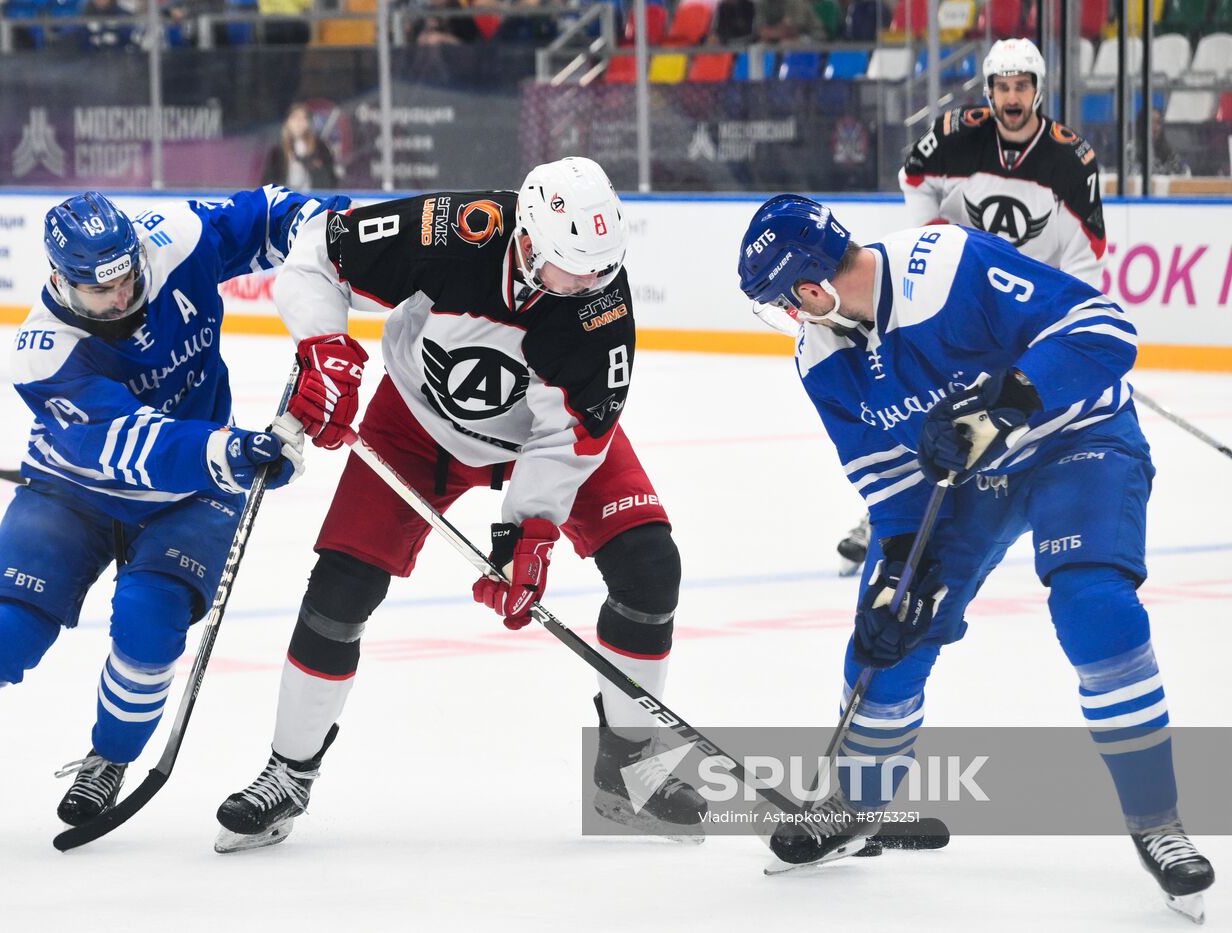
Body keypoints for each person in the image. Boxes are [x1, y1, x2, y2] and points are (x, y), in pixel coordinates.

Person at [735, 195, 1215, 922]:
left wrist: (1014, 395)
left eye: (783, 303)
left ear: (809, 288)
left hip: (1077, 441)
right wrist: (898, 568)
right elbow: (892, 490)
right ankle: (856, 805)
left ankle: (1157, 820)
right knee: (887, 632)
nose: (792, 319)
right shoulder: (821, 359)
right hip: (973, 484)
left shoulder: (949, 265)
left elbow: (1105, 330)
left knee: (1093, 603)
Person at [211, 156, 707, 853]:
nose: (588, 286)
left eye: (601, 269)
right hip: (415, 422)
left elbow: (572, 435)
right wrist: (325, 347)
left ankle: (630, 770)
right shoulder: (450, 232)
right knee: (339, 590)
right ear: (528, 240)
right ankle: (288, 774)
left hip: (540, 436)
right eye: (573, 269)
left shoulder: (601, 309)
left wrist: (528, 534)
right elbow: (315, 256)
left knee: (651, 566)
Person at [0, 185, 341, 855]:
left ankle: (108, 757)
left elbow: (269, 215)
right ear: (59, 278)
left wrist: (345, 236)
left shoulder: (176, 236)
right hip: (75, 489)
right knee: (5, 634)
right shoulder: (43, 352)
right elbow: (133, 445)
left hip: (191, 493)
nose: (121, 296)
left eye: (127, 277)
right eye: (100, 289)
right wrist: (230, 452)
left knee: (149, 623)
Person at [834, 37, 1110, 576]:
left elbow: (1086, 256)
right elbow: (915, 179)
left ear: (1038, 90)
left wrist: (1068, 327)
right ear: (989, 90)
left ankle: (1064, 522)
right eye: (1003, 86)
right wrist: (924, 236)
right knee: (924, 407)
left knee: (1010, 419)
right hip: (954, 302)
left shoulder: (1070, 159)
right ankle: (890, 517)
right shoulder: (957, 135)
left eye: (1022, 87)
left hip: (1024, 313)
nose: (1012, 97)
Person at [262, 102, 338, 191]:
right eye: (295, 118)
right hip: (287, 200)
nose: (299, 122)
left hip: (313, 199)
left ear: (308, 122)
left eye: (303, 118)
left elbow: (330, 179)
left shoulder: (320, 148)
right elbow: (268, 182)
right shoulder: (278, 151)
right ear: (288, 121)